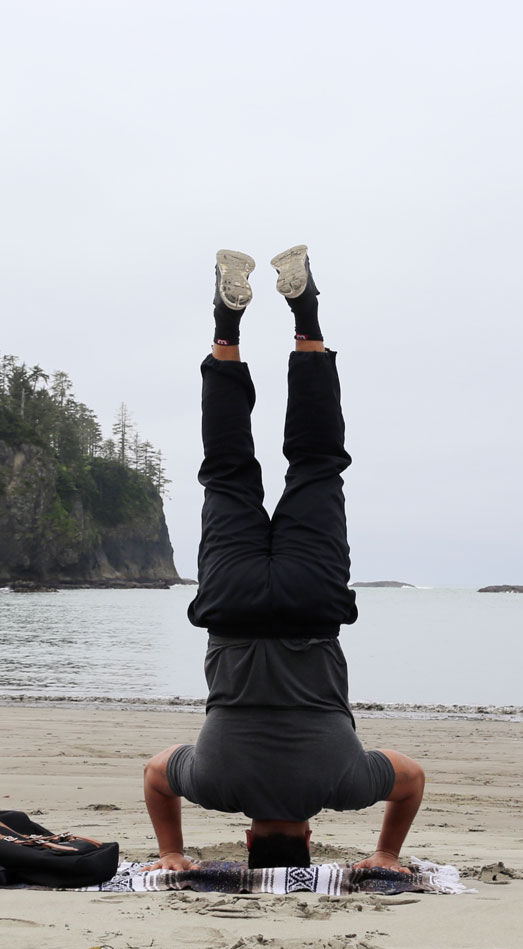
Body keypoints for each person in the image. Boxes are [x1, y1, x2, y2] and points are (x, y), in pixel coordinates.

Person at [142, 247, 424, 874]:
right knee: (227, 474)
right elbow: (157, 773)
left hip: (310, 606)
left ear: (307, 838)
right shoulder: (215, 787)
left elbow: (410, 779)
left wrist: (385, 853)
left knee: (316, 463)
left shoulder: (344, 788)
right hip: (233, 608)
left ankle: (305, 313)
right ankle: (226, 324)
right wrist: (172, 854)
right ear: (247, 840)